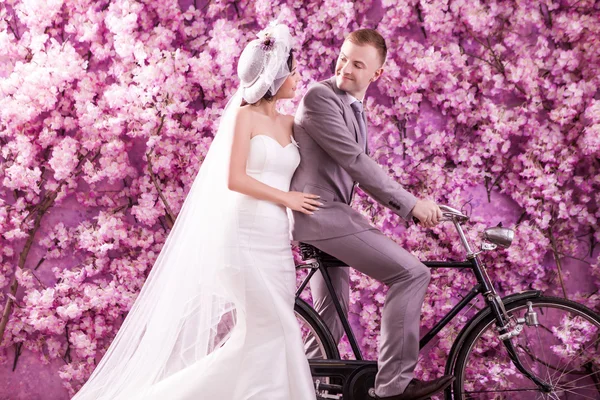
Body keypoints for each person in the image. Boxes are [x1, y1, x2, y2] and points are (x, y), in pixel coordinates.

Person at [72, 24, 318, 400]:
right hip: (243, 236)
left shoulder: (289, 123)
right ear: (275, 77)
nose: (298, 76)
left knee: (258, 337)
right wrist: (287, 200)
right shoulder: (245, 117)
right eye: (293, 69)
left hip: (275, 241)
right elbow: (235, 179)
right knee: (277, 327)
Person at [290, 28, 454, 400]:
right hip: (321, 216)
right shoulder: (320, 97)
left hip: (328, 215)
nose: (345, 67)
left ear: (376, 74)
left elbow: (356, 169)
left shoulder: (353, 106)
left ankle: (314, 393)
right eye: (344, 57)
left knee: (327, 323)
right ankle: (392, 389)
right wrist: (410, 205)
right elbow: (355, 161)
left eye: (357, 64)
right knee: (412, 274)